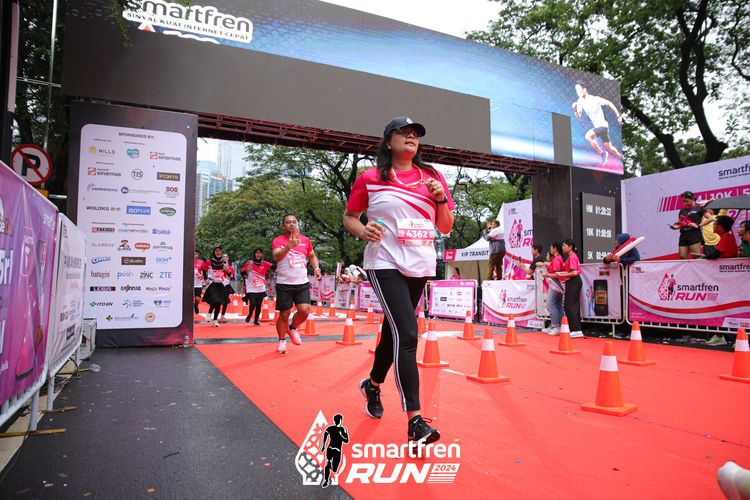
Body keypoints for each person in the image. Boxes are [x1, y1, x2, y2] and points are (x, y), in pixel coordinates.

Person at [343, 116, 455, 446]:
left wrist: (440, 199)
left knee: (393, 332)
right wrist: (363, 229)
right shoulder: (370, 178)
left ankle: (372, 385)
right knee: (407, 332)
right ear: (388, 141)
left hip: (419, 264)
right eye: (404, 133)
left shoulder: (433, 177)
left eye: (415, 134)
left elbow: (445, 226)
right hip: (384, 261)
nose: (411, 137)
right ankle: (415, 423)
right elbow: (350, 217)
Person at [272, 213, 322, 354]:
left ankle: (292, 328)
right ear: (284, 225)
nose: (292, 224)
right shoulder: (278, 240)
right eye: (288, 222)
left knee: (305, 310)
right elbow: (276, 257)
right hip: (284, 283)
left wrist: (316, 268)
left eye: (294, 221)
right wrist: (289, 246)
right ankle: (282, 341)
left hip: (301, 282)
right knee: (284, 314)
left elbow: (312, 256)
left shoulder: (305, 240)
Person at [571, 81, 623, 165]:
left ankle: (602, 153)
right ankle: (621, 157)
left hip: (603, 126)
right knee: (609, 148)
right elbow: (578, 116)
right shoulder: (579, 101)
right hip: (598, 128)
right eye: (576, 90)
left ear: (584, 90)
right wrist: (575, 109)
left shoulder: (595, 99)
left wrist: (618, 116)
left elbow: (609, 103)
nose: (577, 92)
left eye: (578, 89)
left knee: (588, 136)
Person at [546, 239, 584, 338]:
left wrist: (561, 274)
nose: (563, 247)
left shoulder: (572, 257)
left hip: (574, 281)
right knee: (569, 305)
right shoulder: (571, 257)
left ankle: (576, 329)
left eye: (564, 246)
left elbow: (574, 272)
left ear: (570, 247)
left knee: (571, 305)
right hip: (571, 281)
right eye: (562, 246)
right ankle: (574, 329)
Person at [201, 246, 234, 327]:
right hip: (212, 283)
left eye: (219, 251)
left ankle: (215, 320)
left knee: (219, 303)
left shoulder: (224, 262)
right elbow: (204, 270)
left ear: (221, 252)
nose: (218, 252)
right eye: (216, 251)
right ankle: (209, 313)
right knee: (215, 300)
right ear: (214, 252)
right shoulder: (209, 261)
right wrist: (205, 279)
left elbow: (229, 274)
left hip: (221, 284)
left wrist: (228, 271)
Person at [241, 248, 274, 325]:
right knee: (253, 303)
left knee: (259, 304)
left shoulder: (264, 263)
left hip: (260, 287)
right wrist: (247, 270)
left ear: (262, 254)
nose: (258, 254)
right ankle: (250, 314)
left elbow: (274, 266)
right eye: (257, 253)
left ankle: (256, 320)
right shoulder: (249, 263)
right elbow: (242, 273)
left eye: (260, 253)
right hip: (251, 287)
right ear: (254, 254)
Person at [669, 191, 705, 259]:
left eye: (686, 201)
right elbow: (680, 224)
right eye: (683, 201)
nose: (685, 203)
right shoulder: (682, 210)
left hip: (694, 234)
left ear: (692, 199)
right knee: (682, 257)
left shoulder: (699, 208)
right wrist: (675, 227)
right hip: (684, 235)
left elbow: (710, 218)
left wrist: (699, 225)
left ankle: (705, 261)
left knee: (696, 257)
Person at [319, 414, 349, 489]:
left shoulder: (339, 429)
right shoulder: (335, 428)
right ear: (340, 421)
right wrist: (323, 445)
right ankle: (326, 480)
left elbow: (346, 440)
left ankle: (330, 468)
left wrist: (323, 445)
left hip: (334, 450)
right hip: (333, 449)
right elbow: (346, 440)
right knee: (329, 464)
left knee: (334, 468)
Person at [542, 242, 565, 336]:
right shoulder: (558, 258)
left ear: (555, 248)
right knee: (558, 305)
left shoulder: (557, 259)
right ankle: (559, 326)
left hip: (555, 284)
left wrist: (546, 275)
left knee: (550, 304)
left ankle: (556, 326)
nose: (550, 249)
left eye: (551, 247)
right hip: (558, 283)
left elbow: (557, 274)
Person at [218, 252, 235, 323]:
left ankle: (222, 315)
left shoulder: (230, 267)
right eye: (223, 257)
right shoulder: (218, 266)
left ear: (228, 258)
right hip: (219, 285)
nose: (225, 258)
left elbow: (232, 276)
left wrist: (229, 274)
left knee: (225, 301)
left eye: (226, 257)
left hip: (227, 285)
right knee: (218, 301)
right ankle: (217, 315)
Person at [193, 249, 205, 321]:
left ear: (198, 255)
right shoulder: (187, 262)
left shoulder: (201, 262)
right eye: (193, 254)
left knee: (197, 299)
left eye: (196, 254)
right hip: (189, 284)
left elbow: (204, 272)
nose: (194, 255)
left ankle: (196, 305)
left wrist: (202, 276)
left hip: (198, 284)